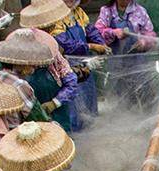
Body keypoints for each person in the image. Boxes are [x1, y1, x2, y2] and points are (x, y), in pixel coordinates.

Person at [20, 0, 104, 131]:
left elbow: (70, 82)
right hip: (35, 106)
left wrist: (54, 103)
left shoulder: (55, 55)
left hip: (57, 104)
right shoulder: (23, 54)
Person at [0, 29, 76, 131]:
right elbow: (38, 118)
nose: (34, 66)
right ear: (20, 63)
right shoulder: (20, 85)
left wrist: (55, 103)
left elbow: (71, 83)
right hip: (18, 131)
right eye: (31, 62)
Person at [95, 0, 158, 106]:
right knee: (119, 96)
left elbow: (150, 33)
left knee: (142, 93)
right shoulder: (106, 11)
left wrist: (144, 42)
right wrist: (113, 32)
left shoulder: (140, 11)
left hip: (137, 62)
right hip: (116, 63)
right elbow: (97, 32)